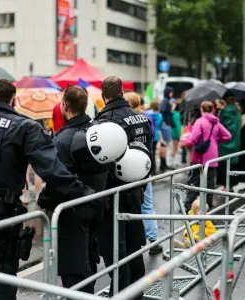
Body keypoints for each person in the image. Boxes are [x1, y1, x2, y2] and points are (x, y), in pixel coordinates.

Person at [0, 79, 93, 300]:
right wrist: (83, 192)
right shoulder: (24, 126)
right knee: (3, 275)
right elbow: (51, 169)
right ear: (13, 99)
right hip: (3, 213)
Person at [40, 85, 109, 293]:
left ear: (64, 106)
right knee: (89, 257)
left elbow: (57, 178)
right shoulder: (98, 132)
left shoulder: (62, 139)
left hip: (72, 209)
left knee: (73, 267)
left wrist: (45, 201)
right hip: (97, 204)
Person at [95, 77, 152, 300]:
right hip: (137, 187)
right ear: (123, 92)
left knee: (114, 248)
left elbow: (101, 159)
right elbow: (148, 150)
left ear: (103, 96)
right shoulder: (142, 117)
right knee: (134, 242)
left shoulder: (105, 121)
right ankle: (136, 291)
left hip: (114, 191)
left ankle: (120, 293)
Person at [124, 92, 163, 255]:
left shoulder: (124, 121)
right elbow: (152, 140)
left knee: (130, 206)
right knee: (147, 205)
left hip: (129, 169)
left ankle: (131, 242)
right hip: (145, 167)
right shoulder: (145, 119)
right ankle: (154, 241)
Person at [184, 101, 231, 212]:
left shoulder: (200, 121)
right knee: (210, 181)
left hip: (200, 156)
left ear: (202, 109)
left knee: (194, 181)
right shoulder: (216, 122)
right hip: (213, 155)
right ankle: (208, 204)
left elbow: (193, 139)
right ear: (212, 109)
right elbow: (227, 136)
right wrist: (216, 141)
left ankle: (188, 205)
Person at [217, 90, 242, 190]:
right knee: (233, 163)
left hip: (224, 142)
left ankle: (225, 185)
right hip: (236, 141)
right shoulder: (237, 111)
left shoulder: (224, 111)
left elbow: (220, 125)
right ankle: (231, 185)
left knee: (224, 163)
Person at [145, 101, 163, 174]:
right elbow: (159, 126)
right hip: (155, 135)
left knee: (148, 153)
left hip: (148, 135)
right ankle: (154, 170)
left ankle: (149, 169)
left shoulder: (146, 114)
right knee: (153, 153)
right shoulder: (160, 115)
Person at [160, 86, 175, 171]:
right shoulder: (165, 101)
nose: (172, 94)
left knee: (165, 144)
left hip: (167, 124)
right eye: (171, 92)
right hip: (166, 125)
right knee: (165, 144)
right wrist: (164, 121)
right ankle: (164, 164)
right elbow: (162, 111)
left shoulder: (166, 101)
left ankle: (164, 163)